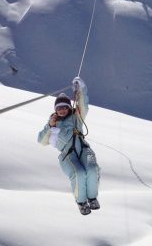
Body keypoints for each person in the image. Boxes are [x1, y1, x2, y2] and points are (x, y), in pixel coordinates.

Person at [38, 77, 100, 215]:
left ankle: (92, 197)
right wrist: (50, 126)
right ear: (55, 110)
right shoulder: (53, 123)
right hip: (68, 155)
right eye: (59, 108)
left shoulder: (76, 116)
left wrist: (81, 89)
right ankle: (82, 202)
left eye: (65, 107)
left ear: (68, 108)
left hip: (83, 149)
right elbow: (41, 141)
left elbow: (84, 104)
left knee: (92, 169)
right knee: (78, 173)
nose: (62, 110)